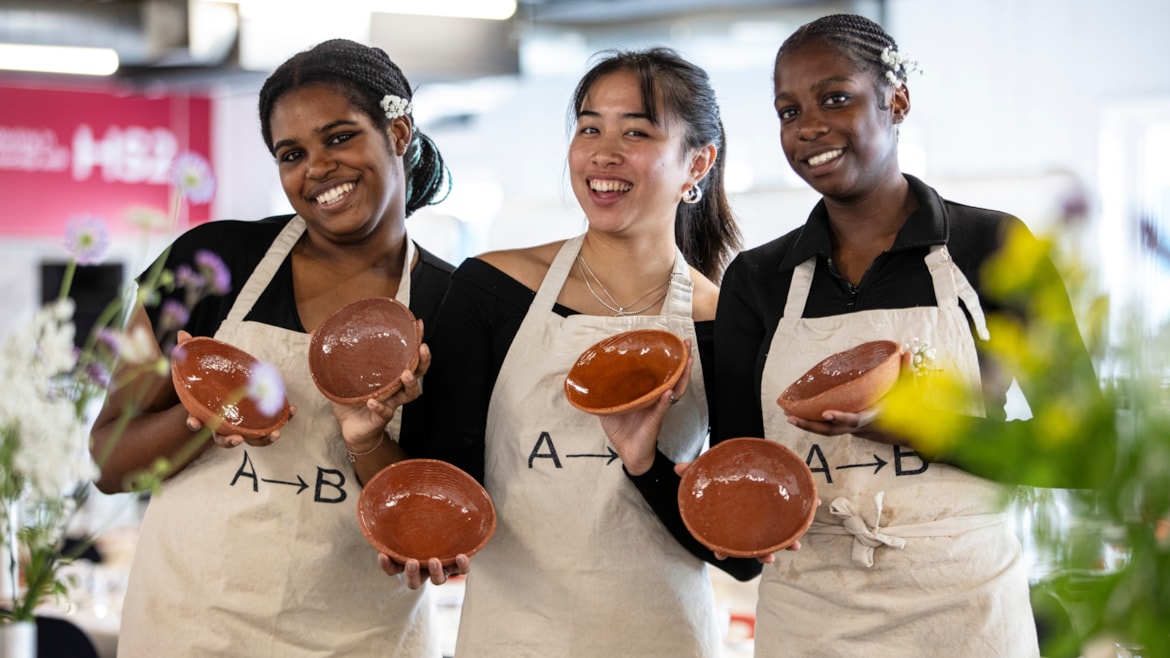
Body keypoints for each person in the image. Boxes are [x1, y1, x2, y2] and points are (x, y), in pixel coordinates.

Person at [712, 13, 1115, 656]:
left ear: (897, 101)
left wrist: (912, 425)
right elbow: (739, 485)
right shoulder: (758, 278)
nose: (808, 126)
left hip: (966, 611)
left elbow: (1088, 455)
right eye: (788, 111)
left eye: (835, 98)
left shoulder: (995, 247)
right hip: (813, 621)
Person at [89, 38, 456, 657]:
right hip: (190, 631)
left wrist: (367, 440)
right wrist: (205, 412)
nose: (316, 167)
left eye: (339, 137)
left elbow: (433, 528)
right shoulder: (208, 264)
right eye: (292, 153)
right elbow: (108, 462)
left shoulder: (454, 304)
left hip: (363, 639)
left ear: (397, 132)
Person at [417, 47, 752, 657]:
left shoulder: (723, 320)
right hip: (512, 637)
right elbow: (447, 471)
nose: (604, 151)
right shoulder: (491, 288)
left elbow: (742, 556)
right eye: (590, 127)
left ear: (696, 163)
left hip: (663, 638)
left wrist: (644, 463)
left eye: (637, 131)